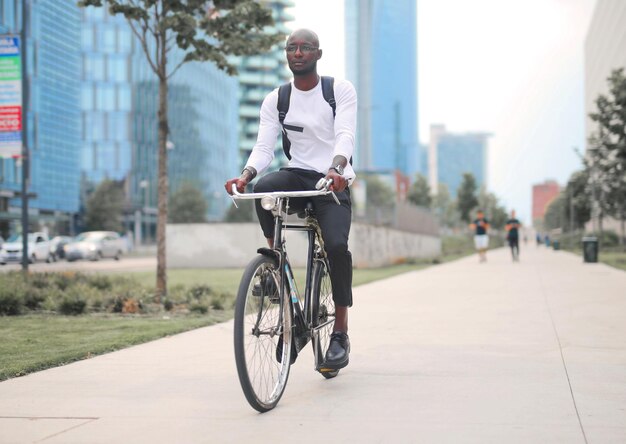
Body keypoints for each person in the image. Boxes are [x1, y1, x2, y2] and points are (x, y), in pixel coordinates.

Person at [225, 29, 357, 371]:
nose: (298, 53)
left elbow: (345, 135)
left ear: (318, 54)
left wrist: (337, 167)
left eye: (305, 48)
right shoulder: (277, 99)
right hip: (298, 173)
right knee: (265, 188)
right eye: (292, 48)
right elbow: (264, 147)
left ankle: (340, 332)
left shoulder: (338, 91)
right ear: (287, 55)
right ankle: (274, 265)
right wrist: (246, 175)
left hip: (332, 181)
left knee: (337, 247)